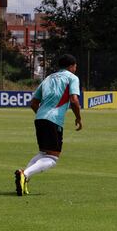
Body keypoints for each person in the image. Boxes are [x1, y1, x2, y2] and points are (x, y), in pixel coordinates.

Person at [14, 54, 82, 196]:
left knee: (43, 153)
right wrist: (78, 118)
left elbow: (33, 103)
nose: (76, 69)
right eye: (75, 66)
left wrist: (42, 115)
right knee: (52, 158)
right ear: (71, 66)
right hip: (53, 120)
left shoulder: (48, 78)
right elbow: (74, 100)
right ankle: (25, 174)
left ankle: (24, 179)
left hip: (40, 118)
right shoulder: (72, 78)